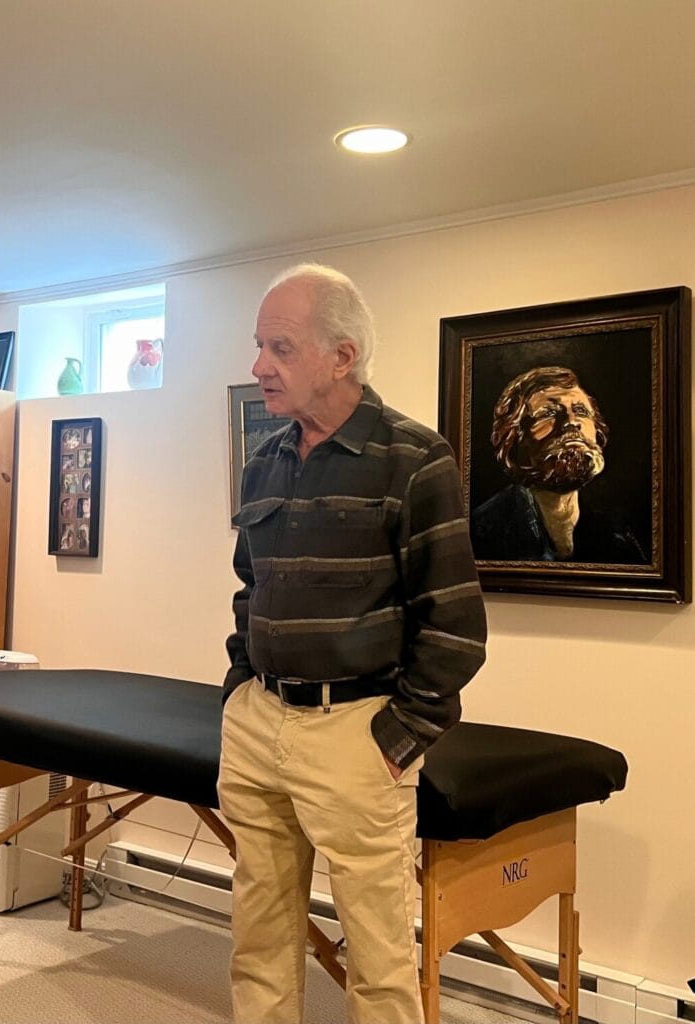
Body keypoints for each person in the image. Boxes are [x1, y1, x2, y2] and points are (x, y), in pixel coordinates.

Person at [218, 264, 487, 1024]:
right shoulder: (264, 460)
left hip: (357, 734)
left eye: (279, 347)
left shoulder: (413, 458)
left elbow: (454, 622)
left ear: (341, 355)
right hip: (259, 722)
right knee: (258, 940)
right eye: (258, 346)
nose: (258, 366)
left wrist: (397, 737)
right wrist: (242, 687)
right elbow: (250, 587)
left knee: (377, 958)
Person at [470, 366, 647, 563]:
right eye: (549, 413)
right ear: (513, 439)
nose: (571, 422)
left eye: (580, 411)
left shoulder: (618, 533)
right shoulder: (483, 530)